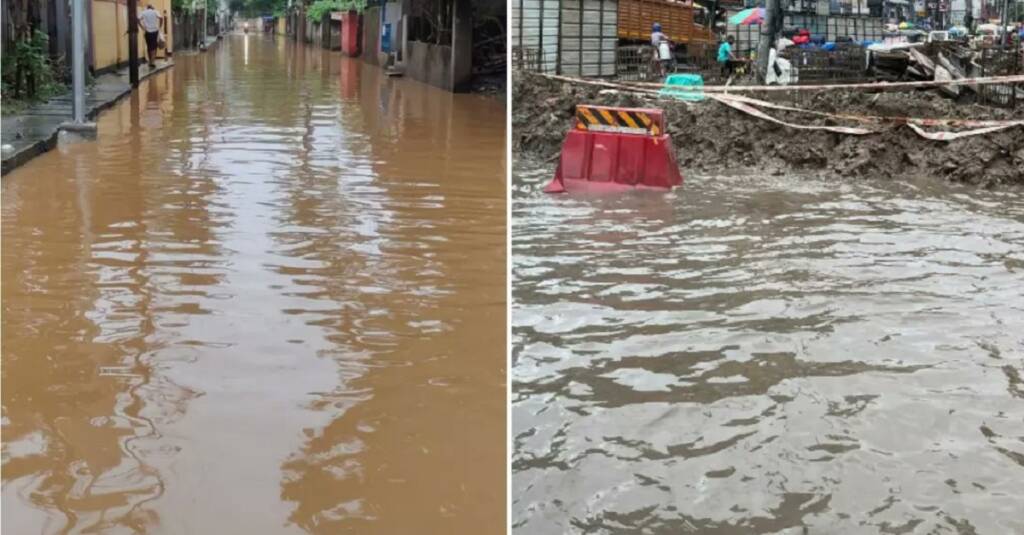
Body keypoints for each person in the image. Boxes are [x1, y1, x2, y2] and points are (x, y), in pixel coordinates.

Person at [138, 4, 162, 68]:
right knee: (154, 46)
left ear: (147, 8)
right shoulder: (155, 11)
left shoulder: (143, 12)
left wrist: (142, 27)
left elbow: (137, 19)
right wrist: (160, 26)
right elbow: (161, 18)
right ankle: (152, 61)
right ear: (152, 8)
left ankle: (150, 61)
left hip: (147, 31)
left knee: (149, 46)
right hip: (155, 31)